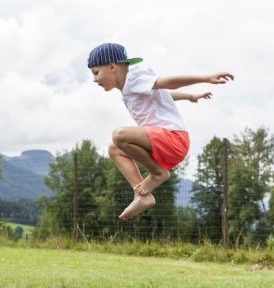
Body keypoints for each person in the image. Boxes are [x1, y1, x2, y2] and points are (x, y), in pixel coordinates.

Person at [87, 43, 233, 219]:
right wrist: (190, 97)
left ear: (112, 67)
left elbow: (168, 83)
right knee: (114, 149)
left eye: (96, 72)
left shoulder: (134, 78)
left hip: (173, 139)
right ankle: (141, 195)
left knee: (119, 135)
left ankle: (157, 173)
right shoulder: (129, 88)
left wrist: (206, 78)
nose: (95, 80)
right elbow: (164, 94)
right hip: (162, 143)